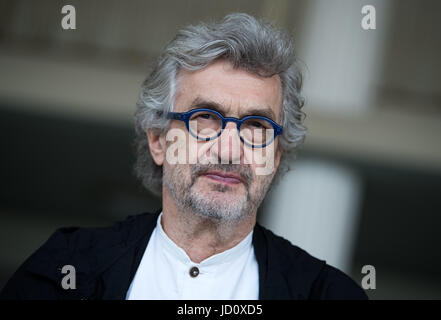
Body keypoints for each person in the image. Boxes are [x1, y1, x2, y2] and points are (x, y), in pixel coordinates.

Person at [0, 13, 367, 300]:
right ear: (158, 140)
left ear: (275, 154)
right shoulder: (67, 266)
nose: (229, 150)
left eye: (256, 125)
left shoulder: (329, 294)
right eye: (205, 118)